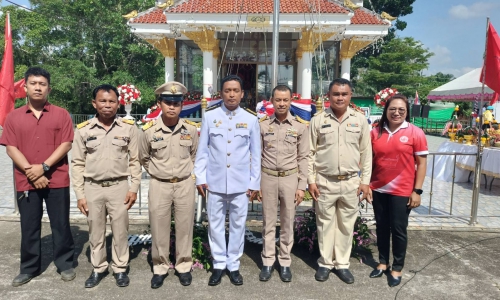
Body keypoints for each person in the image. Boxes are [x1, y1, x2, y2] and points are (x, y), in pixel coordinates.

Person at [0, 67, 76, 287]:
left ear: (48, 88)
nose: (38, 87)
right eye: (33, 83)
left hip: (57, 178)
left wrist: (43, 167)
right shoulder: (13, 117)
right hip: (26, 181)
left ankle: (65, 263)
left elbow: (66, 144)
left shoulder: (61, 114)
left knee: (60, 224)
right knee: (29, 225)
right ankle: (29, 267)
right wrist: (31, 172)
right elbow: (10, 148)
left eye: (42, 84)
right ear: (25, 87)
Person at [71, 84, 141, 288]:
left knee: (120, 231)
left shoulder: (128, 129)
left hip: (119, 187)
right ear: (94, 103)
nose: (107, 105)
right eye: (103, 101)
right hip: (92, 188)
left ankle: (120, 268)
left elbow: (135, 161)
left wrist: (134, 188)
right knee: (96, 231)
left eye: (111, 101)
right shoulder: (83, 130)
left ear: (118, 104)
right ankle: (99, 268)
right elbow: (77, 163)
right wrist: (80, 194)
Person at [194, 75, 261, 286]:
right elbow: (202, 151)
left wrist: (254, 183)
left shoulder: (251, 119)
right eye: (227, 90)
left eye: (235, 90)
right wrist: (200, 178)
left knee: (238, 225)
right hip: (214, 183)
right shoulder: (210, 117)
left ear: (242, 94)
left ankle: (233, 265)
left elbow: (256, 154)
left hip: (240, 184)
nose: (231, 94)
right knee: (214, 225)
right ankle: (219, 264)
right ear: (221, 93)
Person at [308, 78, 372, 284]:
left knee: (346, 225)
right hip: (325, 181)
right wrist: (311, 180)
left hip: (351, 182)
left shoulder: (360, 120)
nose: (340, 98)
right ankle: (325, 263)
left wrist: (365, 181)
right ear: (329, 96)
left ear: (350, 95)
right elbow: (309, 153)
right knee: (325, 224)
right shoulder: (318, 120)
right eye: (336, 94)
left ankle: (342, 264)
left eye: (344, 94)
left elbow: (366, 153)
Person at [139, 82, 199, 288]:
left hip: (184, 184)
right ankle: (160, 267)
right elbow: (144, 157)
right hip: (160, 184)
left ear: (182, 105)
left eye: (177, 103)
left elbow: (194, 155)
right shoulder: (148, 131)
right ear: (159, 104)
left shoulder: (191, 129)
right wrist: (160, 172)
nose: (172, 107)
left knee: (185, 227)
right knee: (159, 227)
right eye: (168, 102)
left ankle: (183, 266)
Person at [368, 94, 428, 287]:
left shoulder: (415, 133)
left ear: (407, 112)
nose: (397, 113)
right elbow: (369, 161)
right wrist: (367, 185)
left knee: (399, 230)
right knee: (381, 227)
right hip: (378, 189)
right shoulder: (375, 132)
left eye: (401, 110)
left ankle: (397, 268)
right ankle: (383, 263)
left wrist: (417, 191)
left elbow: (422, 163)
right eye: (393, 109)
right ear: (386, 110)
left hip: (402, 191)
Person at [257, 85, 309, 282]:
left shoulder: (299, 126)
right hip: (268, 177)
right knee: (268, 222)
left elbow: (303, 157)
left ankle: (285, 262)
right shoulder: (262, 125)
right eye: (278, 100)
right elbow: (257, 155)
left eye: (285, 100)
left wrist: (301, 186)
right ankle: (268, 261)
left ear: (290, 101)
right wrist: (257, 184)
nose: (281, 103)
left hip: (290, 178)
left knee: (287, 222)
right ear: (271, 100)